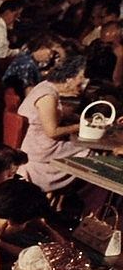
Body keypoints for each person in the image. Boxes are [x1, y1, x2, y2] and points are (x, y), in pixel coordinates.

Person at [18, 54, 123, 194]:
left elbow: (55, 115)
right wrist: (80, 126)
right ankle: (86, 199)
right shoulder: (47, 96)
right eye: (80, 80)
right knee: (93, 155)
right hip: (42, 149)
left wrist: (81, 118)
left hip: (41, 144)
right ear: (68, 78)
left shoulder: (47, 86)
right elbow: (52, 131)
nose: (82, 85)